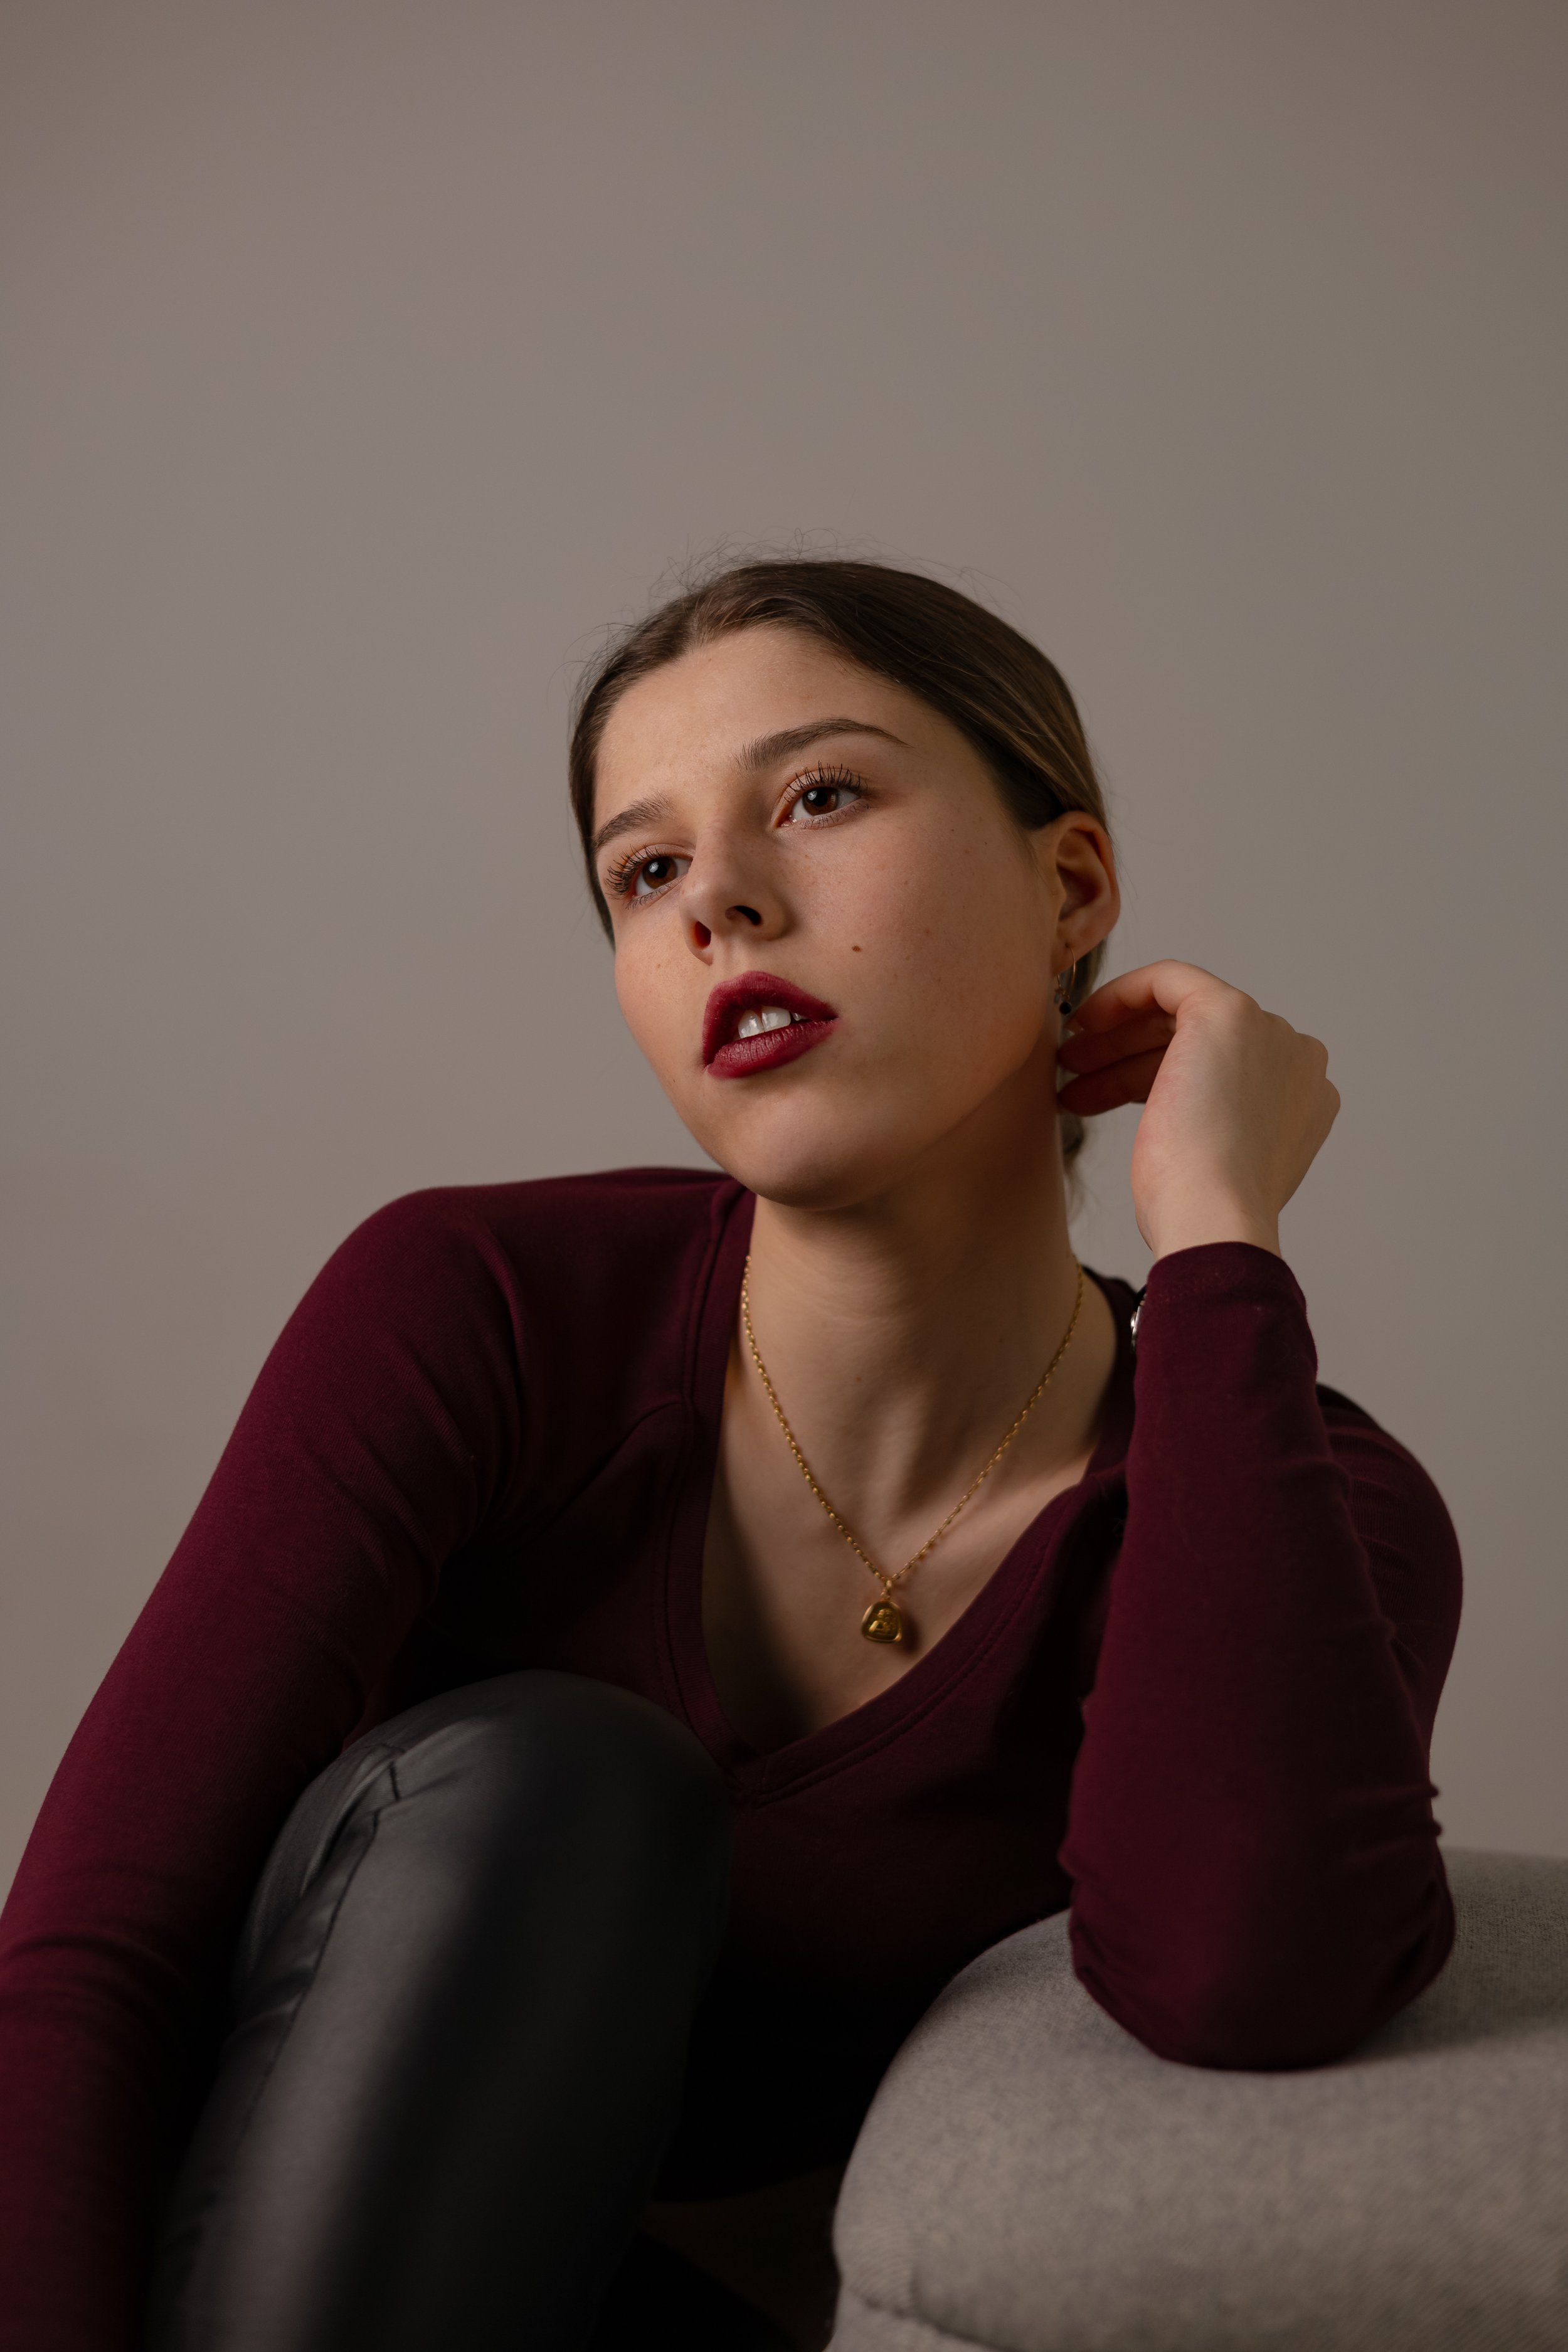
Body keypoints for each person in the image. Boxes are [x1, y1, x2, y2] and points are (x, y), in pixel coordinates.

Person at [0, 559, 1461, 2352]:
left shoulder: (1300, 1497)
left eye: (820, 796)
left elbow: (1256, 1973)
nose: (721, 903)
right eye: (645, 871)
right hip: (231, 2285)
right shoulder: (478, 1307)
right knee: (555, 1781)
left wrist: (1221, 1239)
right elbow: (95, 1964)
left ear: (1072, 884)